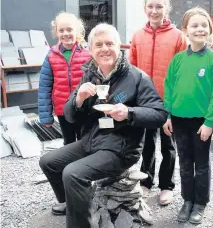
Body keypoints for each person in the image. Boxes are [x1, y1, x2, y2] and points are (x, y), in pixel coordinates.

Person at [39, 23, 168, 228]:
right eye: (98, 44)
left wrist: (128, 113)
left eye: (110, 43)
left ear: (119, 47)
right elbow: (70, 115)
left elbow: (159, 114)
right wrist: (79, 99)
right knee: (48, 162)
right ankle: (72, 203)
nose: (104, 48)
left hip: (121, 148)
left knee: (72, 173)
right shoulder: (89, 74)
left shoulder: (136, 77)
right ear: (91, 50)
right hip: (92, 140)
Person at [164, 6, 213, 224]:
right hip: (178, 120)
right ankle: (187, 200)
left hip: (201, 123)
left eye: (204, 25)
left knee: (202, 164)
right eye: (194, 25)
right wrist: (168, 115)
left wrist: (210, 122)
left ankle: (200, 203)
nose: (200, 29)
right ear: (185, 30)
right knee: (185, 163)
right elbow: (169, 87)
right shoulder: (178, 59)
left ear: (209, 29)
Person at [129, 0, 187, 205]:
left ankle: (166, 186)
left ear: (167, 9)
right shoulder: (137, 36)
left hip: (168, 102)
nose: (154, 11)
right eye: (151, 6)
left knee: (168, 145)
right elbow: (132, 70)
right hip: (145, 102)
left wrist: (174, 105)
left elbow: (182, 74)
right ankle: (145, 181)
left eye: (159, 6)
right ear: (145, 9)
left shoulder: (178, 36)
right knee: (146, 144)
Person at [38, 12, 91, 144]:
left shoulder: (88, 53)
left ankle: (83, 165)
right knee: (68, 143)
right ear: (56, 32)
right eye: (61, 30)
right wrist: (46, 116)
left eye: (69, 29)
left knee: (85, 142)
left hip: (84, 108)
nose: (65, 33)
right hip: (62, 110)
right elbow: (44, 87)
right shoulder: (51, 56)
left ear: (77, 30)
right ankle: (69, 165)